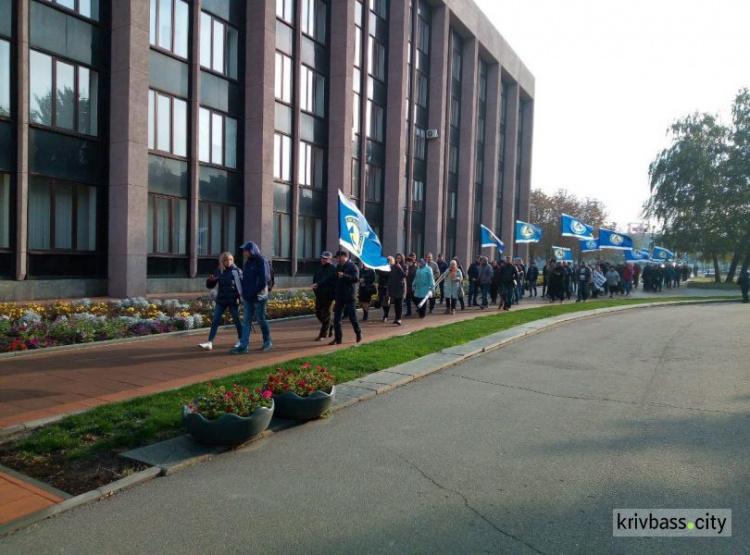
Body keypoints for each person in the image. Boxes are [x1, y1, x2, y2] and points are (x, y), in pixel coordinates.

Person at [232, 241, 272, 354]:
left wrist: (255, 292)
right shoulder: (248, 263)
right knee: (246, 321)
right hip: (248, 297)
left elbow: (265, 279)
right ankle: (244, 345)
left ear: (251, 250)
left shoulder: (261, 260)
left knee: (261, 319)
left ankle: (267, 341)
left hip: (259, 296)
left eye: (245, 251)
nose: (244, 253)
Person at [199, 252, 243, 351]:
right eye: (226, 260)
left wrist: (240, 298)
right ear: (222, 261)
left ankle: (241, 340)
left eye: (230, 260)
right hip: (221, 300)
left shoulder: (236, 271)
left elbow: (241, 286)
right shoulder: (219, 271)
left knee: (236, 320)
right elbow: (210, 286)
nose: (228, 262)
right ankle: (209, 342)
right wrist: (211, 280)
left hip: (232, 300)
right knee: (215, 320)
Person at [328, 250, 362, 345]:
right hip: (339, 296)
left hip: (349, 296)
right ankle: (338, 339)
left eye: (338, 258)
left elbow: (355, 279)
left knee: (352, 317)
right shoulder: (338, 267)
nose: (337, 260)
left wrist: (344, 275)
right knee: (337, 319)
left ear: (344, 257)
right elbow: (334, 279)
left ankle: (358, 332)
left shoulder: (353, 266)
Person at [311, 251, 337, 341]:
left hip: (329, 295)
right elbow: (315, 278)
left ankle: (323, 334)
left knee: (326, 314)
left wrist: (318, 284)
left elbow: (327, 278)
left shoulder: (332, 268)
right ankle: (331, 325)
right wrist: (315, 287)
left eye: (325, 258)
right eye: (322, 258)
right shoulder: (319, 267)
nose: (323, 260)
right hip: (319, 294)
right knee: (318, 313)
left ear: (330, 259)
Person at [385, 253, 408, 325]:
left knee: (399, 304)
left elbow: (405, 275)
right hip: (394, 287)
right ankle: (396, 318)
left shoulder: (405, 266)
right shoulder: (393, 266)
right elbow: (390, 277)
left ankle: (399, 319)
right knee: (395, 304)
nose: (398, 259)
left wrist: (400, 268)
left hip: (400, 288)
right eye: (397, 258)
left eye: (400, 258)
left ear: (402, 259)